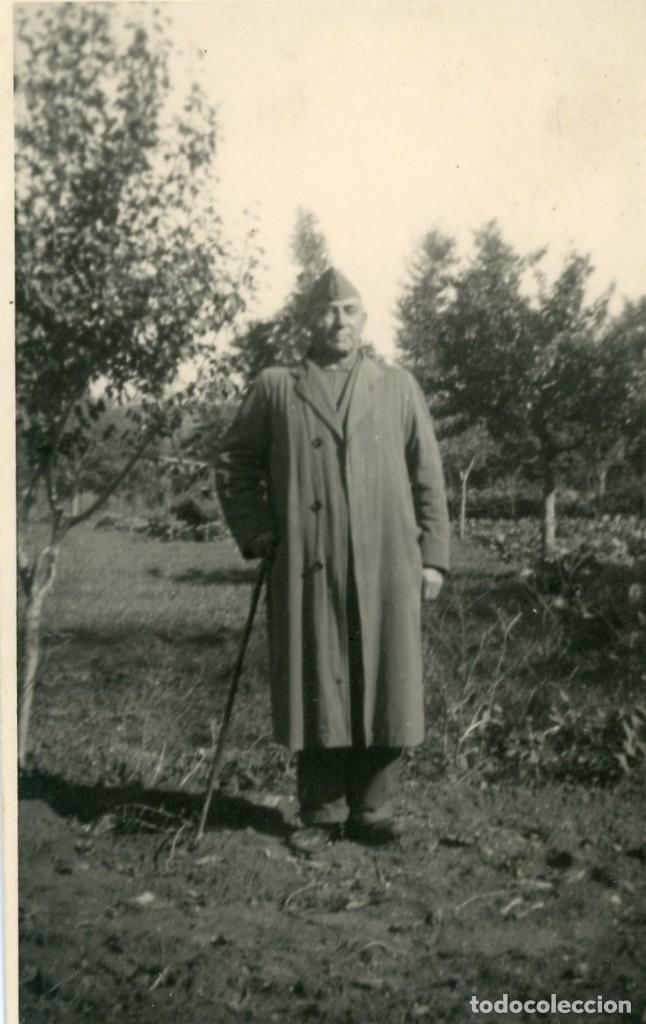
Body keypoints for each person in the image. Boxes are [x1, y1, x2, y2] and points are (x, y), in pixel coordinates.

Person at [216, 267, 449, 848]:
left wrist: (434, 558)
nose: (338, 320)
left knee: (383, 677)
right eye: (326, 311)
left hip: (386, 564)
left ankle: (373, 811)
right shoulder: (276, 387)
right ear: (306, 321)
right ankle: (320, 811)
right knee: (317, 677)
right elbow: (234, 465)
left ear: (365, 318)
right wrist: (259, 531)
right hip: (308, 563)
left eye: (349, 309)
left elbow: (429, 476)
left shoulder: (397, 386)